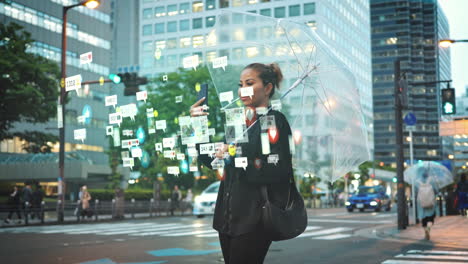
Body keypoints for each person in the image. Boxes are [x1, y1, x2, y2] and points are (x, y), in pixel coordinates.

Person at [190, 62, 291, 263]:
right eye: (241, 84)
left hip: (254, 219)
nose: (242, 89)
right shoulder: (238, 125)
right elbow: (211, 161)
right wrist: (198, 124)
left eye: (250, 83)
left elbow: (278, 170)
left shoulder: (275, 121)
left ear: (268, 87)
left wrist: (234, 155)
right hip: (226, 218)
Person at [416, 173, 437, 240]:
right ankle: (428, 228)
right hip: (431, 203)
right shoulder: (432, 181)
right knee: (430, 218)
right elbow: (436, 191)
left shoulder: (417, 182)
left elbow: (415, 192)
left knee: (424, 218)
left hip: (421, 204)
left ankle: (425, 231)